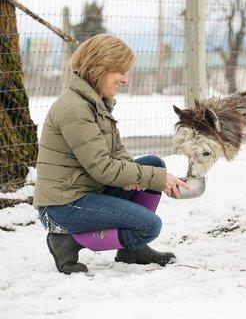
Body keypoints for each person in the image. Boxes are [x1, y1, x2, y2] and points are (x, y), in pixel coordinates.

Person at [33, 34, 189, 275]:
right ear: (101, 67)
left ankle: (131, 251)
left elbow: (117, 153)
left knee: (153, 164)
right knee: (149, 226)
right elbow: (102, 167)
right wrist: (156, 178)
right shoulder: (74, 108)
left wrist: (138, 177)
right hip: (63, 206)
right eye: (121, 71)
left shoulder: (96, 103)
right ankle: (68, 240)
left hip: (88, 191)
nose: (125, 79)